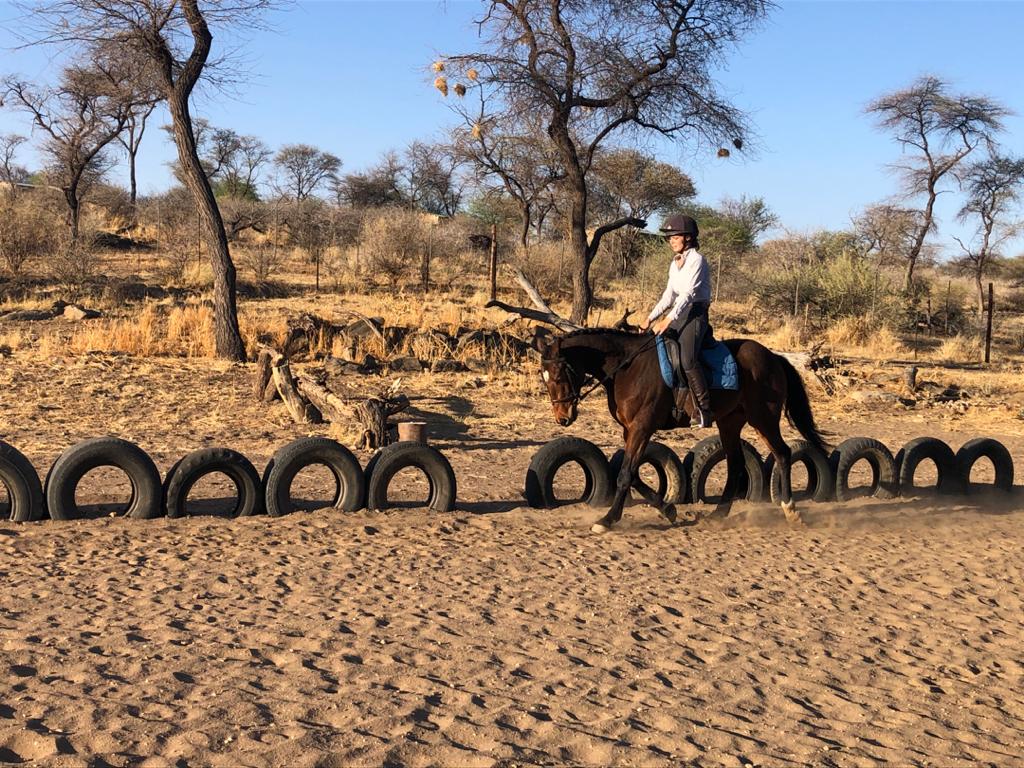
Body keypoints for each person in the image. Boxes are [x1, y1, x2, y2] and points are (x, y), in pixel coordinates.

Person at [639, 214, 714, 428]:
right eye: (669, 238)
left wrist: (667, 320)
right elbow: (669, 296)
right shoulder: (675, 263)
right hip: (679, 313)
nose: (671, 241)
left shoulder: (697, 260)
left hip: (695, 314)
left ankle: (704, 409)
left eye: (675, 236)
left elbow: (688, 294)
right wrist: (650, 318)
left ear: (688, 238)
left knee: (687, 359)